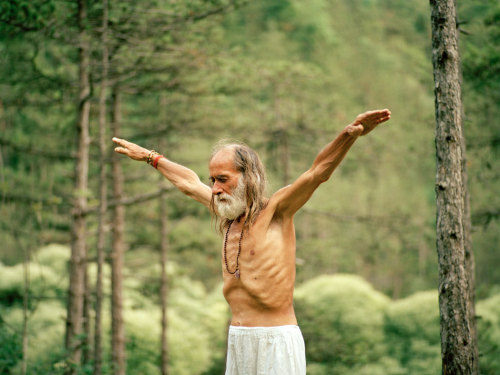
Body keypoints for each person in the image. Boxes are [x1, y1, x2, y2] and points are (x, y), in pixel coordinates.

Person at [112, 108, 391, 374]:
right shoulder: (225, 212)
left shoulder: (277, 212)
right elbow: (188, 182)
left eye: (223, 179)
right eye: (213, 180)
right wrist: (151, 157)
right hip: (239, 340)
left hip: (276, 340)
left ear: (249, 177)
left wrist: (349, 135)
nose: (215, 188)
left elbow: (317, 173)